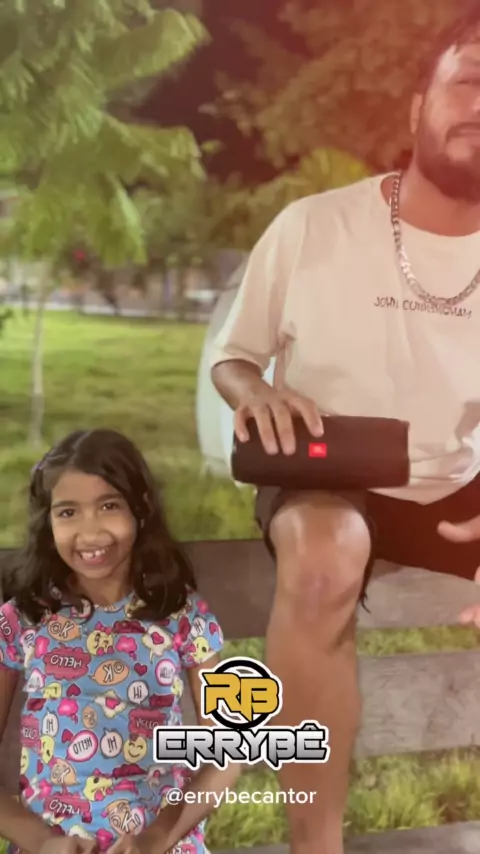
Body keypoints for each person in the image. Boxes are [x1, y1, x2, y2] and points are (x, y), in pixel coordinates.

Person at [210, 7, 480, 854]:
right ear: (418, 107)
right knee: (323, 560)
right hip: (328, 468)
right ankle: (315, 845)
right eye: (470, 82)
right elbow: (233, 357)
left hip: (455, 483)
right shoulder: (314, 226)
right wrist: (255, 390)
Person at [0, 429, 239, 854]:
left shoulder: (183, 616)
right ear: (48, 522)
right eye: (68, 512)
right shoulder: (23, 619)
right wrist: (44, 842)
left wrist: (156, 837)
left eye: (108, 506)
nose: (90, 533)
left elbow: (227, 755)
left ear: (140, 510)